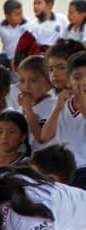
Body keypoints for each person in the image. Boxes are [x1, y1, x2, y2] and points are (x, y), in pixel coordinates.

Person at [42, 51, 86, 188]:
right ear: (68, 81)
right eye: (77, 78)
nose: (83, 82)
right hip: (63, 170)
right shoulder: (63, 103)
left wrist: (82, 100)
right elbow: (45, 136)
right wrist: (57, 108)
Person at [0, 1, 27, 68]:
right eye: (17, 14)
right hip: (6, 57)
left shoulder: (26, 24)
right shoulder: (0, 25)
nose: (21, 16)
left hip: (21, 57)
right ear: (7, 16)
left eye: (21, 13)